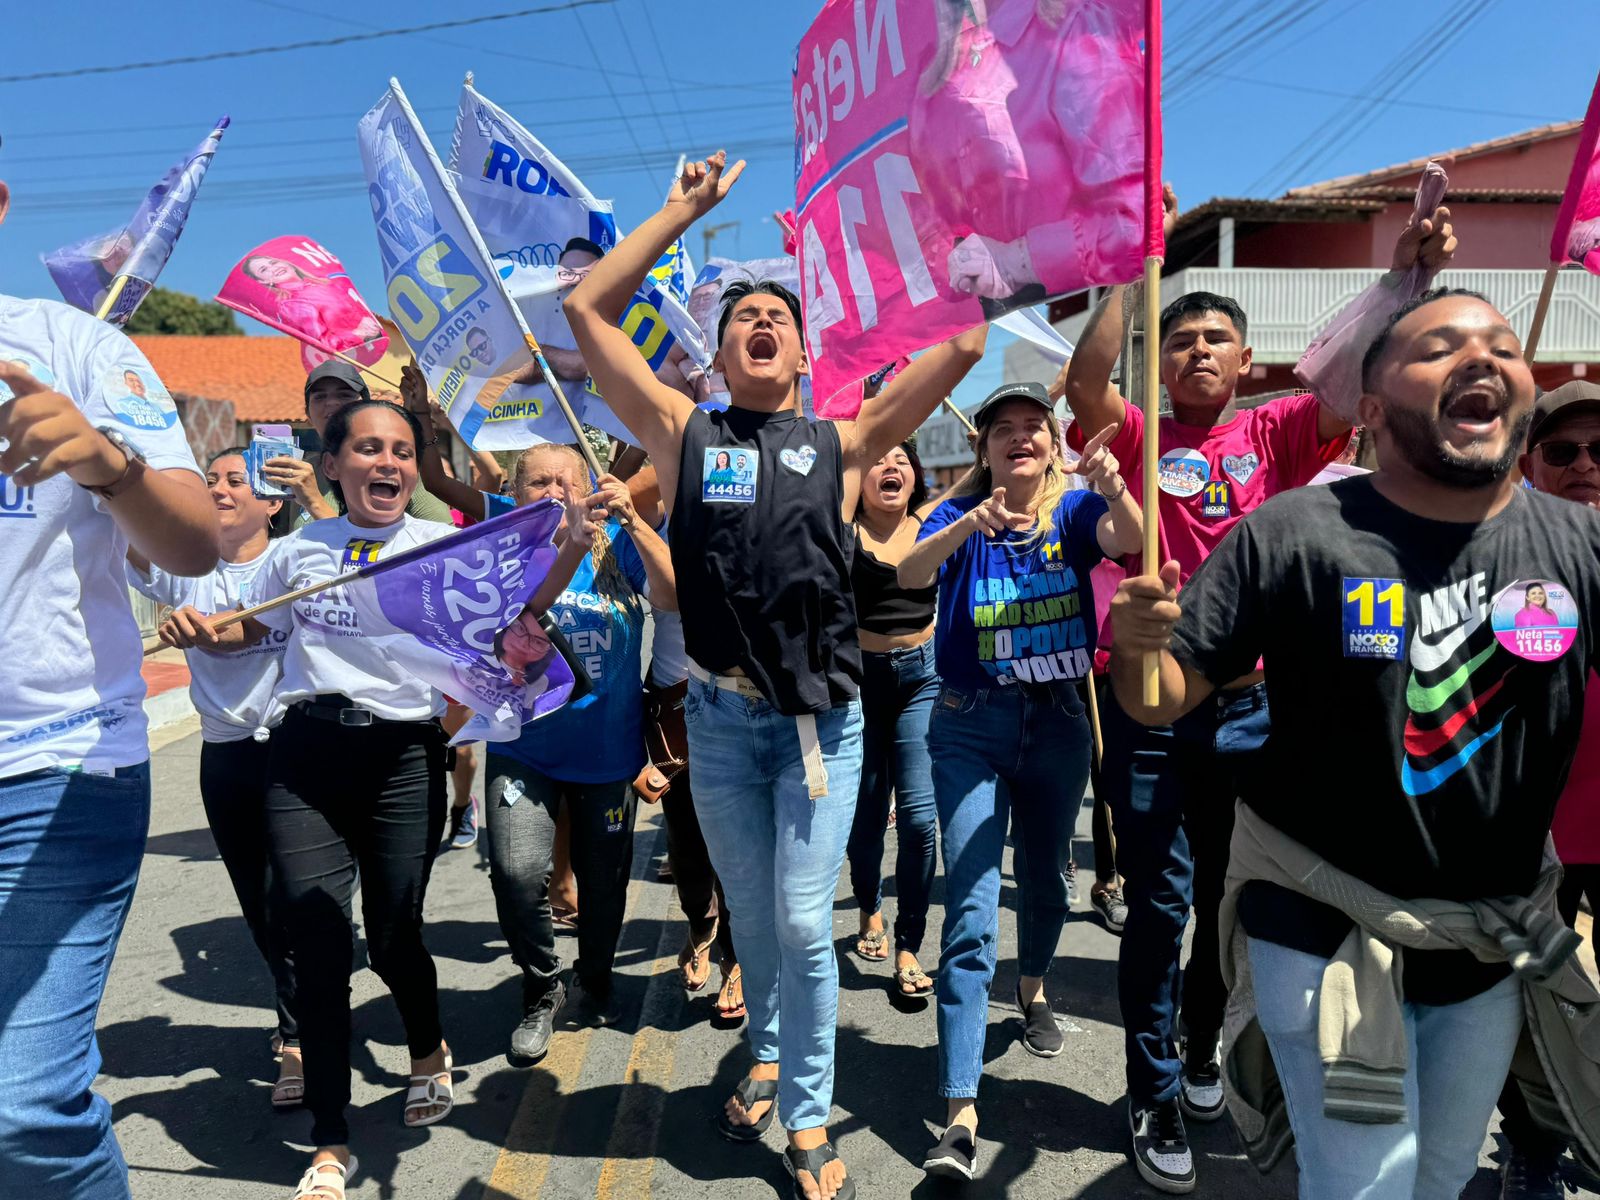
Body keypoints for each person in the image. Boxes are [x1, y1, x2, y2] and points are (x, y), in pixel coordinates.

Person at [1109, 288, 1600, 1200]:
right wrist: (1139, 651)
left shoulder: (1577, 544)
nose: (1480, 358)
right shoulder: (1292, 533)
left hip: (1488, 934)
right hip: (1322, 920)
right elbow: (1160, 698)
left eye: (1499, 344)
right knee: (1365, 1183)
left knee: (1444, 1176)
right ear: (1370, 406)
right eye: (1441, 346)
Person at [565, 151, 985, 1200]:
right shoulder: (681, 430)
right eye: (741, 314)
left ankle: (804, 1111)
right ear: (716, 352)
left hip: (818, 731)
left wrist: (926, 220)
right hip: (715, 725)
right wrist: (679, 210)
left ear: (805, 349)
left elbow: (966, 338)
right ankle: (764, 1050)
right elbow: (587, 308)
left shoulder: (844, 441)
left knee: (802, 926)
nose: (761, 322)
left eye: (778, 315)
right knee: (757, 928)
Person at [1059, 190, 1454, 1192]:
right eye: (1180, 336)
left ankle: (1199, 1054)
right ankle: (1150, 1094)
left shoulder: (1278, 438)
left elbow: (1349, 374)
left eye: (1214, 339)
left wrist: (1405, 278)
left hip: (1254, 712)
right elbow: (1085, 378)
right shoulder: (1140, 440)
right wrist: (1127, 257)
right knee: (1158, 907)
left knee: (1234, 910)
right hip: (1149, 708)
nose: (1195, 350)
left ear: (1244, 364)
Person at [183, 400, 460, 1199]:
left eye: (402, 451)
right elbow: (253, 631)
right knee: (316, 941)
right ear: (332, 466)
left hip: (404, 758)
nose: (389, 463)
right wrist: (206, 632)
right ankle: (331, 1140)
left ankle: (427, 1049)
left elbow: (501, 627)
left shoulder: (439, 546)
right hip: (303, 755)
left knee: (396, 930)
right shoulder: (302, 549)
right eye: (368, 448)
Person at [0, 247, 219, 1199]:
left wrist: (105, 463)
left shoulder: (73, 346)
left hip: (55, 766)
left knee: (22, 1107)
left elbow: (195, 542)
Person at [899, 385, 1141, 1178]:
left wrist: (1114, 487)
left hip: (1059, 723)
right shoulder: (957, 516)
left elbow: (1130, 537)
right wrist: (966, 523)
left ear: (1051, 446)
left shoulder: (1072, 515)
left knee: (1047, 885)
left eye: (1033, 428)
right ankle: (959, 1110)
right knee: (968, 913)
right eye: (1003, 429)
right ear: (986, 448)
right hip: (969, 725)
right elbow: (907, 572)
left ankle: (1032, 986)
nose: (1018, 438)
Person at [479, 444, 675, 1064]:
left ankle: (594, 977)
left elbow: (672, 597)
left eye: (570, 479)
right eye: (539, 481)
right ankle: (541, 986)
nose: (557, 490)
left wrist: (635, 520)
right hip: (524, 749)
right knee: (515, 872)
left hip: (607, 753)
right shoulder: (499, 555)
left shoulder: (617, 545)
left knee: (605, 883)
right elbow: (501, 628)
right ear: (516, 494)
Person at [128, 448, 309, 1109]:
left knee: (301, 898)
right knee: (261, 905)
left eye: (238, 481)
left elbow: (238, 636)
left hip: (296, 751)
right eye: (212, 482)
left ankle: (300, 1035)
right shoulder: (185, 571)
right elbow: (130, 549)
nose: (221, 490)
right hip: (226, 755)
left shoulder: (293, 564)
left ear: (272, 502)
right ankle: (299, 1020)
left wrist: (200, 636)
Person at [1494, 380, 1600, 1200]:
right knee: (1529, 1002)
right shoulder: (1508, 551)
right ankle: (1532, 1144)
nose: (1584, 465)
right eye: (1562, 452)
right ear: (1530, 462)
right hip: (1536, 827)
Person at [627, 466, 743, 1016]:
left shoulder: (758, 517)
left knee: (737, 848)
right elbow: (631, 488)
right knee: (688, 842)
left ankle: (737, 957)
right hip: (673, 704)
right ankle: (700, 927)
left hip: (744, 699)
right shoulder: (658, 521)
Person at [844, 440, 941, 1004]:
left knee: (920, 821)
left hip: (922, 680)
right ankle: (866, 906)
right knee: (865, 817)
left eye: (904, 459)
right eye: (881, 459)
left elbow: (981, 484)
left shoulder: (934, 523)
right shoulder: (843, 530)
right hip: (858, 686)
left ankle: (909, 943)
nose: (893, 466)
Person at [264, 360, 454, 525]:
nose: (331, 403)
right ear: (308, 416)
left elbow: (442, 542)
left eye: (345, 395)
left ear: (366, 406)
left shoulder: (395, 468)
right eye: (320, 397)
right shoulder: (300, 472)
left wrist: (315, 502)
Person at [242, 254, 385, 370]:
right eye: (263, 270)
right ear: (263, 281)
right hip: (350, 364)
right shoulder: (293, 305)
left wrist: (368, 322)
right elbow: (321, 342)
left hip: (374, 348)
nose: (273, 268)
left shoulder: (323, 283)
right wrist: (358, 333)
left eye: (273, 262)